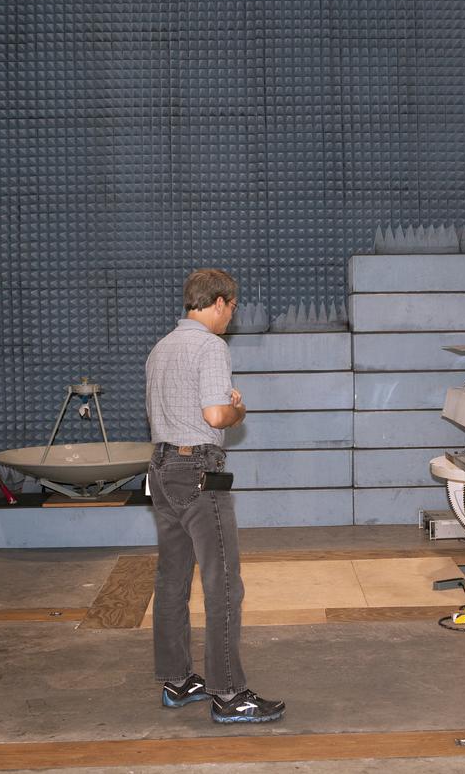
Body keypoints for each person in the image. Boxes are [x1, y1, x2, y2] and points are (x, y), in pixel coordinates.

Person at [144, 268, 285, 724]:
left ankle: (178, 680)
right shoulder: (210, 346)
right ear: (220, 302)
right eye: (232, 308)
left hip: (162, 469)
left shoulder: (161, 347)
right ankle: (228, 693)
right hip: (198, 470)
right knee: (223, 582)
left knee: (172, 579)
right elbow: (215, 413)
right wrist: (238, 408)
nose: (231, 317)